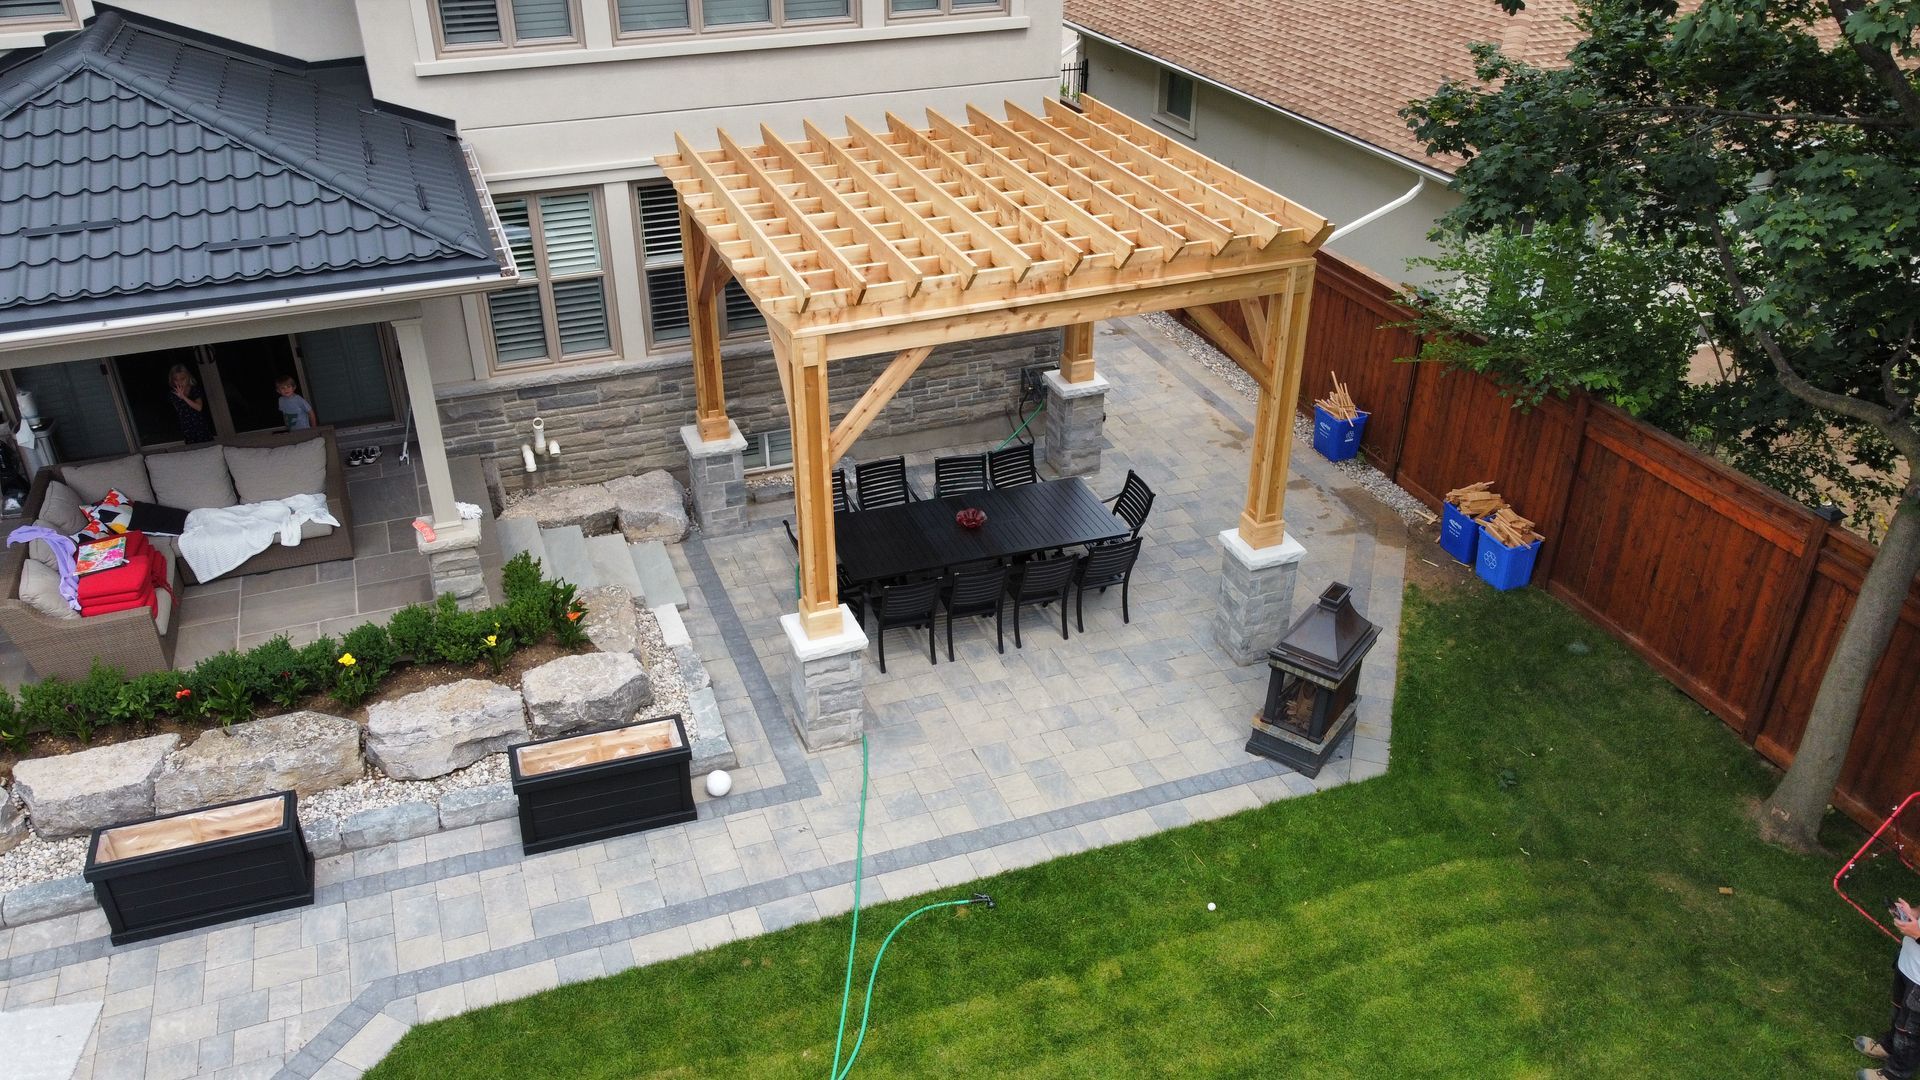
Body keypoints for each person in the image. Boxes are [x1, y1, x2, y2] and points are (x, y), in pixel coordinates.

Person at [1857, 899, 1920, 1080]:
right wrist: (1913, 913)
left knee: (1910, 1032)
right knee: (1898, 1013)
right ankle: (1889, 1046)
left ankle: (1896, 1073)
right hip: (1908, 965)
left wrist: (1918, 934)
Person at [166, 364, 214, 444]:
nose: (179, 382)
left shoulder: (194, 389)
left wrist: (184, 397)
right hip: (187, 427)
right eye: (176, 380)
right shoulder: (172, 394)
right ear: (173, 381)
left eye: (182, 379)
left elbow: (199, 407)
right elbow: (179, 411)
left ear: (187, 377)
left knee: (207, 446)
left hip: (199, 424)